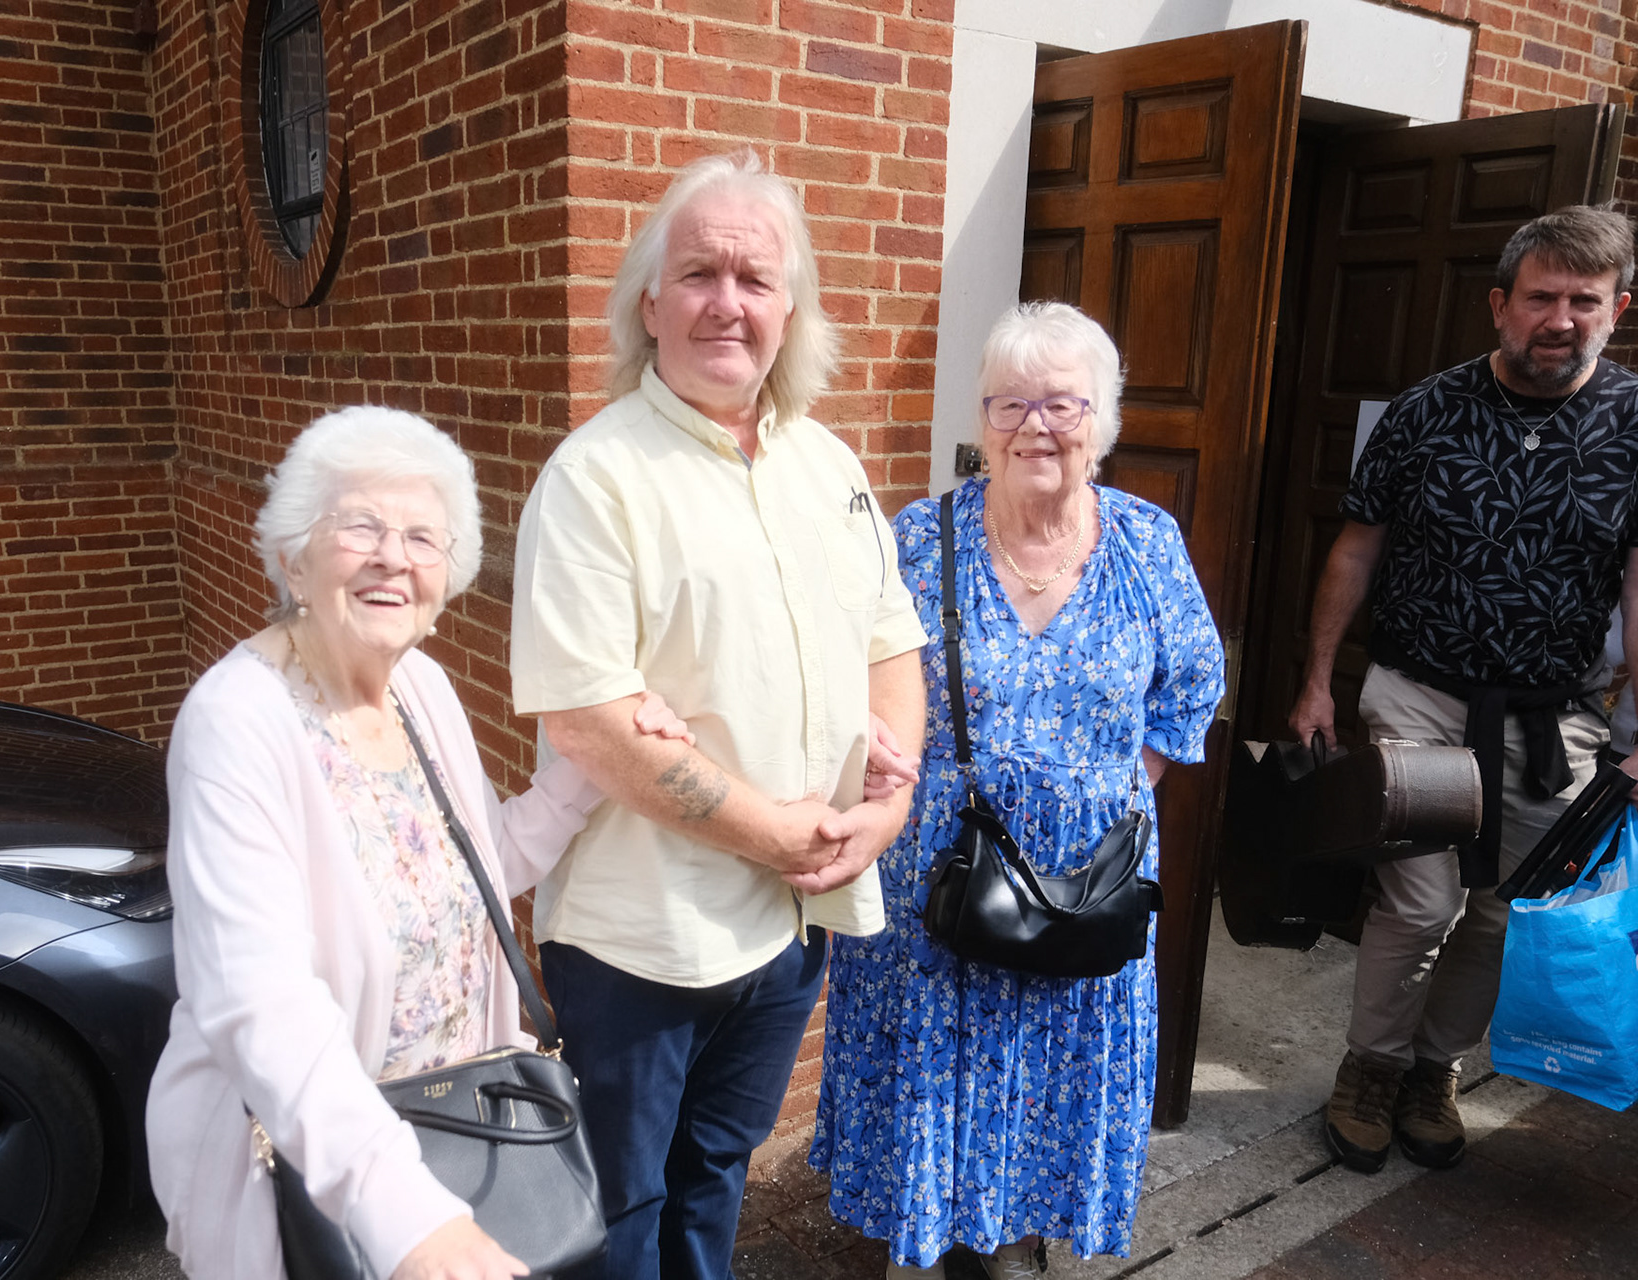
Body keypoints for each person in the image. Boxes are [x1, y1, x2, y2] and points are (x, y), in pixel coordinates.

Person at [145, 406, 694, 1280]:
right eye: (360, 526)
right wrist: (407, 1216)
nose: (393, 557)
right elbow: (259, 998)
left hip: (452, 1133)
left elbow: (483, 867)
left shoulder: (420, 688)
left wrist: (599, 763)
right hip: (307, 1171)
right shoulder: (236, 721)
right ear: (293, 554)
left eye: (422, 538)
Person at [508, 150, 929, 1280]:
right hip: (643, 939)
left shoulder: (829, 465)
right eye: (699, 273)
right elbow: (590, 720)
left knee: (717, 1177)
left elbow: (891, 640)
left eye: (755, 279)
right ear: (650, 303)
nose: (727, 302)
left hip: (792, 923)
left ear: (791, 310)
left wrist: (888, 812)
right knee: (622, 1209)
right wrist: (780, 834)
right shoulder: (597, 477)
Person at [810, 301, 1224, 1275]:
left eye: (1062, 404)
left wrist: (1110, 791)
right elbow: (846, 671)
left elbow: (1193, 684)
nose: (1036, 426)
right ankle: (929, 1240)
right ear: (984, 420)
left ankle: (1016, 1240)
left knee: (1053, 1075)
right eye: (1011, 403)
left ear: (1102, 420)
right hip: (942, 876)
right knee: (934, 1074)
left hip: (1087, 883)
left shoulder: (1146, 540)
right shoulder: (921, 539)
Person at [1288, 204, 1638, 1175]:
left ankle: (1432, 1070)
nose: (1560, 319)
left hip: (1553, 719)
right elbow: (1355, 549)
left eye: (1585, 301)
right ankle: (1371, 1065)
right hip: (1420, 695)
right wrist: (1317, 681)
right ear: (1499, 304)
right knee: (1420, 901)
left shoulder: (1634, 422)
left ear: (1617, 309)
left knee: (1502, 908)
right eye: (1541, 297)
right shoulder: (1425, 411)